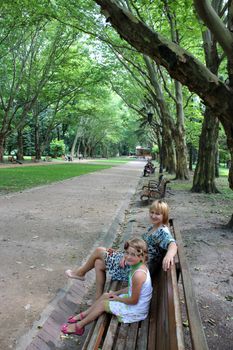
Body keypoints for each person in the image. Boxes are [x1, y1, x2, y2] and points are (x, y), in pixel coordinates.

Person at [65, 200, 177, 299]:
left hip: (138, 269)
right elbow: (140, 248)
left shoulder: (162, 231)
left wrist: (169, 255)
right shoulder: (153, 228)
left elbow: (172, 244)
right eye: (151, 212)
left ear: (164, 215)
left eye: (157, 214)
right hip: (134, 262)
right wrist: (125, 255)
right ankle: (97, 299)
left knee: (99, 250)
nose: (153, 215)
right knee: (98, 263)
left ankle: (80, 273)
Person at [61, 238, 152, 336]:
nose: (128, 257)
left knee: (103, 304)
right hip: (134, 303)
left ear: (142, 257)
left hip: (136, 311)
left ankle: (78, 327)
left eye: (133, 255)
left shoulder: (138, 274)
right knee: (106, 295)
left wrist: (117, 298)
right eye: (127, 253)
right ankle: (83, 315)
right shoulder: (136, 266)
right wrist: (115, 294)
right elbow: (131, 288)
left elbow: (134, 300)